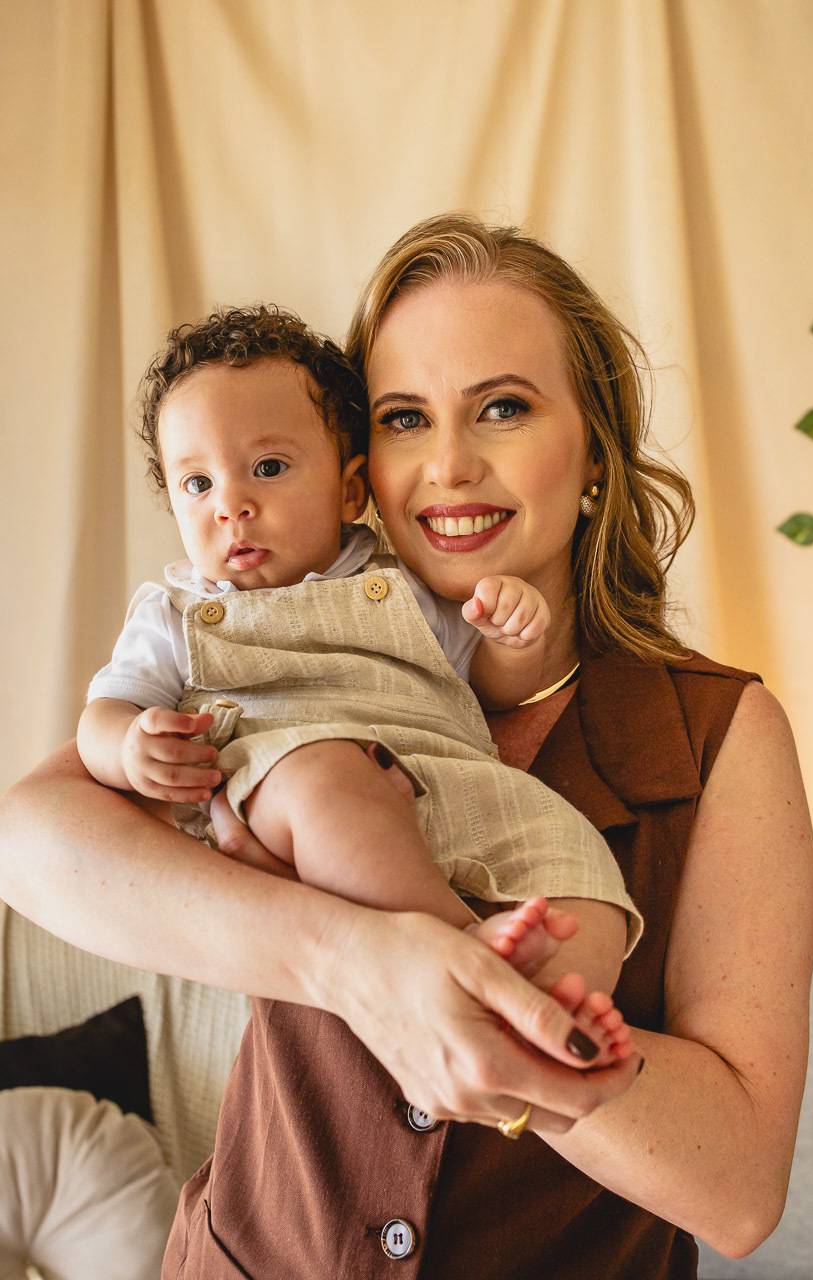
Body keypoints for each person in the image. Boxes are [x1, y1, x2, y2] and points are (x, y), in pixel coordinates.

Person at [0, 214, 813, 1279]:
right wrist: (357, 959)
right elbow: (31, 843)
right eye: (403, 417)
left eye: (505, 407)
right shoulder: (260, 641)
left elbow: (739, 1188)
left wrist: (483, 1038)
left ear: (596, 455)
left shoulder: (715, 732)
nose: (447, 464)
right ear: (358, 464)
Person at [76, 306, 640, 1062]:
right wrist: (128, 746)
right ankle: (460, 954)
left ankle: (549, 1016)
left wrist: (510, 631)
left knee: (581, 872)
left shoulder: (400, 584)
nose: (229, 505)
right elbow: (104, 713)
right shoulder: (177, 614)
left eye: (268, 469)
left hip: (442, 784)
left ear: (348, 492)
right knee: (328, 780)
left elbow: (487, 684)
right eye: (197, 482)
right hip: (290, 790)